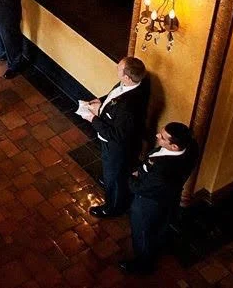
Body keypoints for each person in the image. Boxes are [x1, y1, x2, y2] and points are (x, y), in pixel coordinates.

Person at [78, 56, 151, 218]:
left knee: (115, 177)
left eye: (119, 69)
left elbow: (115, 135)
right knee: (114, 174)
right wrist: (101, 101)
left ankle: (113, 208)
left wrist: (92, 118)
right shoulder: (135, 83)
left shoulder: (129, 107)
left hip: (117, 148)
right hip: (121, 143)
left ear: (126, 77)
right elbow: (114, 95)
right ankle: (112, 181)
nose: (116, 69)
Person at [122, 122, 197, 275]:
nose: (157, 136)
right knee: (160, 226)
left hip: (148, 203)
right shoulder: (191, 146)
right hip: (169, 196)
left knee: (142, 232)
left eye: (162, 137)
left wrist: (131, 177)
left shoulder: (163, 170)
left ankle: (143, 265)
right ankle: (158, 245)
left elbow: (140, 188)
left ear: (174, 147)